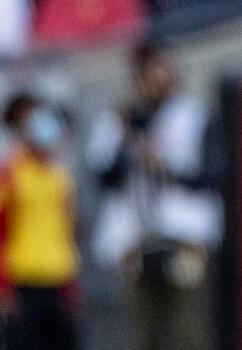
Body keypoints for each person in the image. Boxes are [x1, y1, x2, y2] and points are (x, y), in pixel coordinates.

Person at [84, 43, 222, 350]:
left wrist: (167, 166)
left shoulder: (194, 116)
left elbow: (212, 177)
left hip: (185, 236)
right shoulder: (120, 120)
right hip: (135, 240)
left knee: (187, 328)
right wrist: (128, 143)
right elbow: (105, 178)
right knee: (142, 330)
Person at [0, 93, 78, 350]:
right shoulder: (5, 173)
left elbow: (67, 231)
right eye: (30, 118)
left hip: (57, 283)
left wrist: (71, 287)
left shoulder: (57, 173)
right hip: (21, 286)